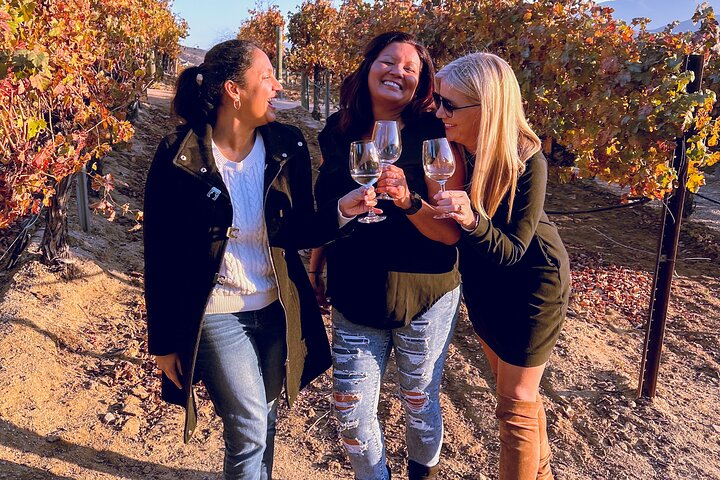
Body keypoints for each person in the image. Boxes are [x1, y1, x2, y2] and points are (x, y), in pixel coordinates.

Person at [143, 39, 376, 480]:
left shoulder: (287, 145)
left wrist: (343, 211)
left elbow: (299, 229)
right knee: (249, 426)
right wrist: (164, 342)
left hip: (275, 307)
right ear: (234, 90)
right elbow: (160, 254)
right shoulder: (180, 154)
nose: (277, 85)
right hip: (215, 311)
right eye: (267, 76)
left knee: (264, 421)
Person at [310, 31, 465, 480]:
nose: (398, 72)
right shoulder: (337, 130)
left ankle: (422, 474)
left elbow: (450, 234)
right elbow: (327, 207)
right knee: (351, 411)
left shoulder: (434, 133)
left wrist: (408, 200)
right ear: (368, 66)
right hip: (355, 288)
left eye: (410, 69)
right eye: (388, 61)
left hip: (424, 291)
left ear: (421, 83)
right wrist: (317, 267)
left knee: (418, 396)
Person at [430, 53, 571, 480]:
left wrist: (472, 219)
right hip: (485, 285)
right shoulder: (460, 149)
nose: (439, 112)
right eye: (438, 100)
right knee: (518, 395)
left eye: (449, 104)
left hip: (531, 287)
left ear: (487, 107)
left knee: (515, 406)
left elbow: (513, 250)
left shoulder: (527, 161)